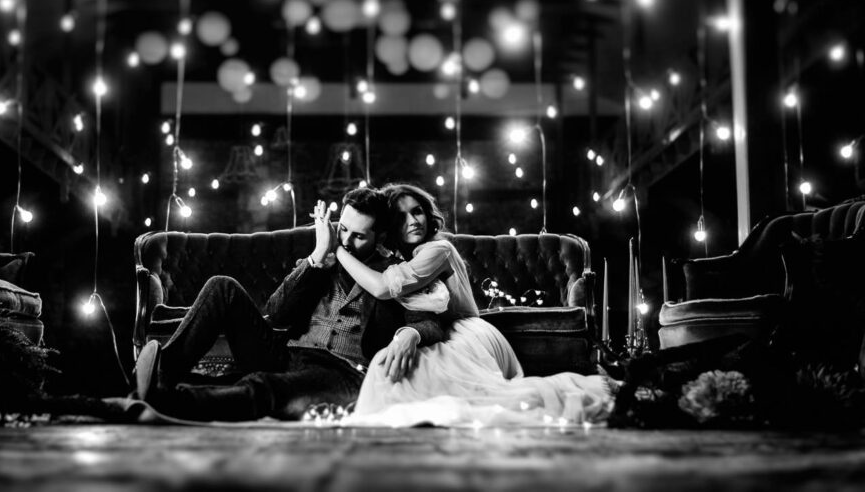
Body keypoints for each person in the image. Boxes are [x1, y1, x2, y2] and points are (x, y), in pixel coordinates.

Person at [129, 186, 446, 422]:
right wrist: (316, 258)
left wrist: (412, 334)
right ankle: (162, 376)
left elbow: (429, 322)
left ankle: (168, 404)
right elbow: (276, 313)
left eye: (359, 236)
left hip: (342, 370)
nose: (346, 241)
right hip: (286, 354)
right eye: (342, 229)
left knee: (263, 387)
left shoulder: (395, 273)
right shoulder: (323, 258)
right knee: (221, 287)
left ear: (380, 236)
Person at [334, 182, 613, 427]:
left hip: (468, 332)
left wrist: (337, 250)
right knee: (396, 371)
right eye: (401, 216)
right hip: (443, 333)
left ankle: (592, 394)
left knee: (466, 394)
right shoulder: (401, 257)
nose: (413, 220)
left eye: (417, 211)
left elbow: (383, 287)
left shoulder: (438, 250)